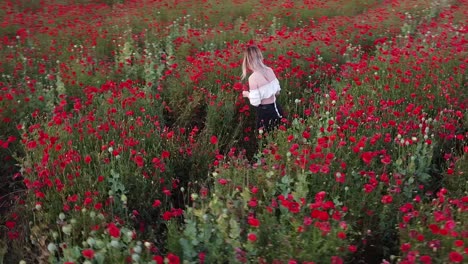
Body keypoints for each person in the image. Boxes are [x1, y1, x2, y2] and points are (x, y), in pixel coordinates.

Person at [241, 45, 284, 134]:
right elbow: (277, 92)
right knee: (279, 135)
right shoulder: (269, 70)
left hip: (265, 112)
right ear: (260, 57)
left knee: (265, 139)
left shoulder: (253, 78)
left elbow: (255, 102)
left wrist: (247, 94)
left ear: (248, 62)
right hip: (277, 108)